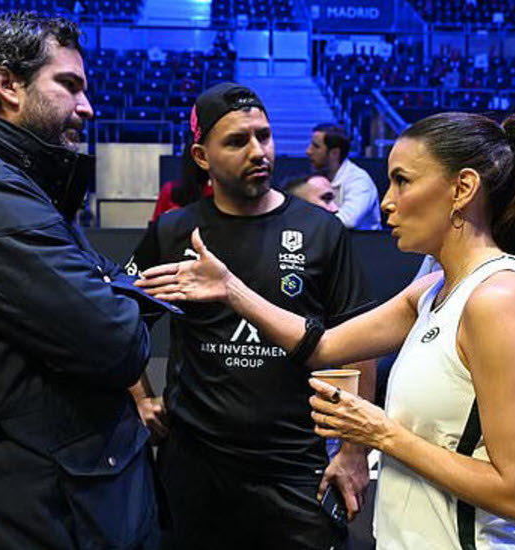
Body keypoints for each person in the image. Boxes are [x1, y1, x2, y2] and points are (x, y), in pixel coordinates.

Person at [136, 111, 515, 549]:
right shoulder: (432, 290)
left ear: (463, 188)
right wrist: (231, 289)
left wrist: (379, 433)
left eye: (402, 181)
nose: (386, 202)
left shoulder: (500, 299)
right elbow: (322, 346)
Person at [0, 13, 168, 549]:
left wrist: (107, 286)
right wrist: (115, 292)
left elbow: (101, 292)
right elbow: (118, 341)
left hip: (55, 494)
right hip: (37, 508)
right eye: (69, 85)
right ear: (7, 84)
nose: (87, 107)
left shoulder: (4, 180)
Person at [125, 82, 377, 550]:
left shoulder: (320, 231)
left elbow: (357, 346)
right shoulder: (174, 230)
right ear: (202, 157)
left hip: (294, 468)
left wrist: (354, 450)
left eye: (264, 135)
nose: (258, 151)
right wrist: (140, 398)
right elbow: (118, 322)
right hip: (194, 470)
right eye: (238, 141)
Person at [306, 123, 381, 230]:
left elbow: (348, 220)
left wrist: (306, 222)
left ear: (334, 153)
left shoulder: (359, 180)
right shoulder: (318, 177)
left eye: (316, 146)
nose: (308, 151)